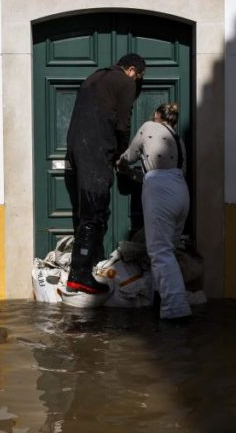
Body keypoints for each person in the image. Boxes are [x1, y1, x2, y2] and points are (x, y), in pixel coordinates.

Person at [64, 53, 146, 296]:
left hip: (76, 150)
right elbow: (123, 123)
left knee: (88, 212)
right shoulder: (125, 82)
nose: (138, 81)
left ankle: (93, 266)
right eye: (138, 76)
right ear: (131, 69)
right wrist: (122, 155)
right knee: (94, 214)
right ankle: (78, 276)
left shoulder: (94, 77)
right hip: (96, 151)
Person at [116, 103, 191, 320]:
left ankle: (176, 309)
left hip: (160, 192)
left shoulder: (149, 127)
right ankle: (160, 300)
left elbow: (130, 155)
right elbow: (161, 170)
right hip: (181, 191)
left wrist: (120, 164)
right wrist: (135, 175)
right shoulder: (179, 141)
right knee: (169, 250)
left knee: (160, 253)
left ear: (157, 115)